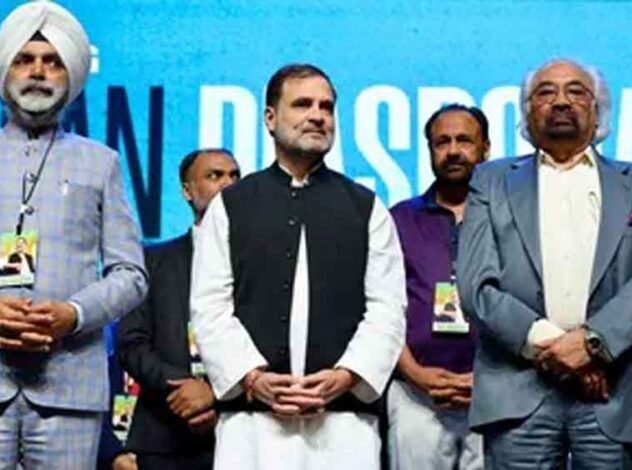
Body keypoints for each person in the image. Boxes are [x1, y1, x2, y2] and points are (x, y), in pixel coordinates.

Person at [0, 2, 147, 468]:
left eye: (53, 62)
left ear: (71, 76)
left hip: (69, 385)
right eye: (25, 60)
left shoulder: (101, 162)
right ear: (5, 72)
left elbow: (131, 274)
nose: (38, 72)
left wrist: (73, 314)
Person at [457, 58, 632, 469]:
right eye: (546, 92)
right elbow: (476, 285)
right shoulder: (490, 180)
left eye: (576, 91)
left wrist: (595, 342)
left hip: (617, 389)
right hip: (518, 390)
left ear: (598, 110)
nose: (561, 101)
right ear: (527, 112)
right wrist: (559, 348)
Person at [190, 63, 406, 469]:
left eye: (326, 107)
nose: (317, 115)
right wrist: (252, 377)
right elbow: (209, 305)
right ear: (270, 118)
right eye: (303, 104)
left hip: (343, 424)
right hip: (251, 424)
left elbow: (388, 308)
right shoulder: (231, 206)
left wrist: (348, 374)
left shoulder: (366, 207)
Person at [116, 148, 240, 470]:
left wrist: (215, 394)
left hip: (239, 431)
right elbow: (131, 343)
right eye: (214, 176)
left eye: (234, 176)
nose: (228, 184)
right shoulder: (152, 261)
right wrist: (184, 388)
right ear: (187, 191)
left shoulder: (263, 264)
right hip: (164, 432)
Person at [387, 104, 489, 470]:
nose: (453, 151)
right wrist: (415, 374)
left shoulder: (505, 216)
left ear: (486, 148)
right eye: (442, 142)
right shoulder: (399, 218)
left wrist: (490, 380)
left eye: (464, 140)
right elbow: (381, 309)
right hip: (415, 394)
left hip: (493, 394)